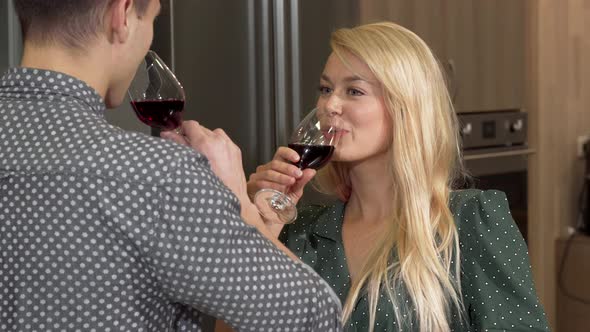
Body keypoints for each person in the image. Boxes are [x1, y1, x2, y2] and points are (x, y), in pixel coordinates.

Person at [0, 0, 342, 331]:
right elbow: (314, 317)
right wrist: (239, 203)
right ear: (122, 13)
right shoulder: (157, 175)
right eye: (152, 19)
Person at [247, 22, 550, 332]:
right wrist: (259, 230)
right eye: (326, 89)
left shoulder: (469, 221)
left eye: (354, 90)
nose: (329, 105)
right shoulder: (299, 231)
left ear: (404, 106)